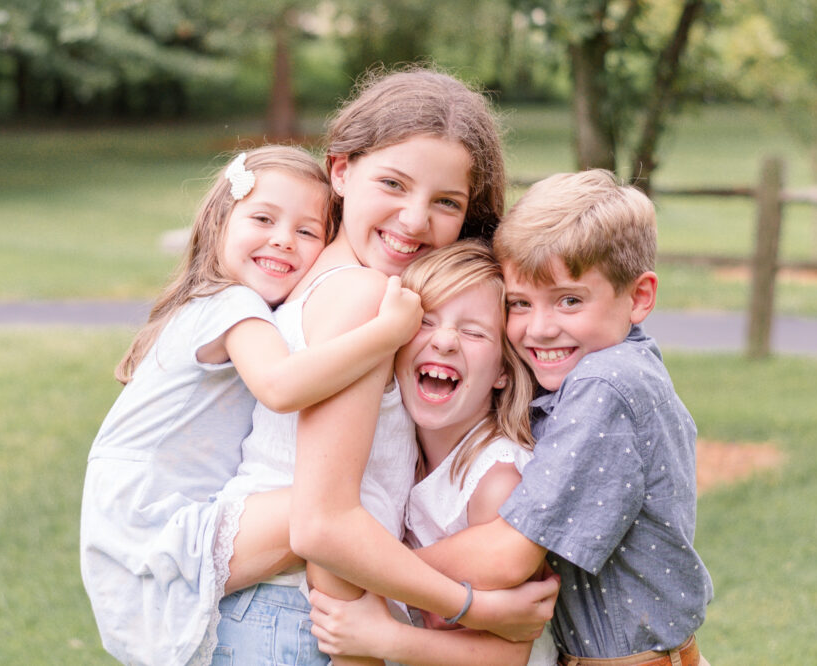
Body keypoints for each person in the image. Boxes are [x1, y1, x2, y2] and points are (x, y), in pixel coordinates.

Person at [210, 67, 559, 666]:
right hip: (302, 618)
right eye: (393, 183)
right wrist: (474, 608)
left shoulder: (320, 281)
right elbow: (322, 526)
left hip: (279, 613)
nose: (416, 220)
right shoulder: (365, 300)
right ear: (340, 170)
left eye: (446, 202)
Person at [80, 145, 424, 666]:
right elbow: (282, 386)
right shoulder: (231, 305)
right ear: (220, 220)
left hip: (137, 520)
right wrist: (387, 333)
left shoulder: (234, 307)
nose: (283, 239)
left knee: (338, 513)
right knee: (335, 512)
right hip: (152, 519)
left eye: (307, 232)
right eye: (263, 218)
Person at [412, 169, 714, 665]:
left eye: (569, 300)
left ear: (639, 297)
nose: (540, 328)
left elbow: (509, 554)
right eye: (519, 304)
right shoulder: (615, 367)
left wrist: (378, 572)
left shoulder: (606, 384)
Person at [308, 240, 559, 666]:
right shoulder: (398, 453)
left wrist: (381, 639)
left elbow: (508, 656)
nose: (444, 341)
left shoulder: (495, 481)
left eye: (474, 331)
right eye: (425, 322)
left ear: (502, 370)